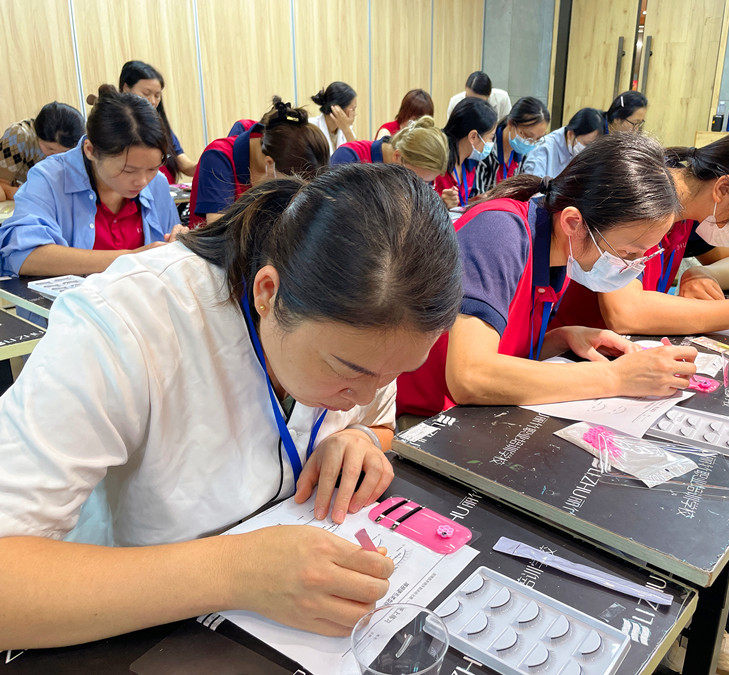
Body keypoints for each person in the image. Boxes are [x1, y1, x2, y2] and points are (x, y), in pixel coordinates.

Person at [0, 163, 463, 648]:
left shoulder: (373, 337)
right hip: (132, 631)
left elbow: (379, 423)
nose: (367, 394)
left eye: (394, 374)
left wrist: (360, 438)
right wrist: (233, 571)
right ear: (268, 293)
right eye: (348, 371)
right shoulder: (128, 321)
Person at [397, 133, 700, 418]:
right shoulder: (498, 233)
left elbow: (504, 350)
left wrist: (561, 339)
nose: (632, 266)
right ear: (573, 223)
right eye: (628, 252)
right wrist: (615, 376)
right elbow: (470, 376)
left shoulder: (561, 255)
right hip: (422, 417)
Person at [554, 126, 729, 356]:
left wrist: (702, 273)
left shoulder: (694, 215)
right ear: (724, 189)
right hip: (567, 349)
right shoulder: (645, 202)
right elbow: (626, 312)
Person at [0, 86, 177, 277]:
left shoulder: (157, 184)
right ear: (90, 150)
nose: (142, 181)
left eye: (152, 168)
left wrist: (180, 244)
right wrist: (133, 258)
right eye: (128, 170)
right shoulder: (49, 179)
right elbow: (24, 257)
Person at [189, 98, 330, 225]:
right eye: (297, 188)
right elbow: (219, 231)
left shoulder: (273, 149)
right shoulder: (218, 158)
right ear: (269, 164)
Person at [118, 60, 196, 182]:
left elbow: (185, 165)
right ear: (126, 88)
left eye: (157, 95)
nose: (153, 101)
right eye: (146, 93)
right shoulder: (114, 129)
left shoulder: (161, 127)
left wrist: (210, 161)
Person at [0, 102, 84, 201]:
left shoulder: (82, 145)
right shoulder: (19, 137)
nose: (56, 156)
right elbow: (2, 185)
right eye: (50, 149)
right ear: (37, 134)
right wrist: (25, 194)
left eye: (64, 152)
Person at [331, 116, 448, 183]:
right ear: (398, 156)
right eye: (416, 181)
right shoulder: (348, 157)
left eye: (427, 183)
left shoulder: (418, 172)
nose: (420, 189)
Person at [472, 96, 550, 197]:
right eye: (527, 136)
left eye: (537, 139)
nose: (531, 143)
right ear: (511, 124)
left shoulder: (521, 154)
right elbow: (474, 198)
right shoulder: (485, 149)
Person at [434, 98, 497, 209]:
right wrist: (441, 204)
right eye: (491, 138)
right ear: (473, 136)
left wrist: (477, 200)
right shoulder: (435, 160)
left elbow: (459, 204)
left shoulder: (469, 163)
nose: (491, 144)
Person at [519, 107, 605, 179]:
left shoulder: (577, 151)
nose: (589, 150)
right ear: (570, 134)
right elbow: (532, 189)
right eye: (586, 144)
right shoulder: (543, 150)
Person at [308, 82, 358, 154]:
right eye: (353, 109)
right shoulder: (311, 128)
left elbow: (358, 156)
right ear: (337, 109)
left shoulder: (346, 129)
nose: (355, 114)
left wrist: (346, 129)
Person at [446, 71, 512, 121]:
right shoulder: (455, 102)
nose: (472, 103)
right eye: (468, 98)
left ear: (489, 94)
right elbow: (450, 132)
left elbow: (506, 126)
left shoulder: (502, 99)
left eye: (478, 101)